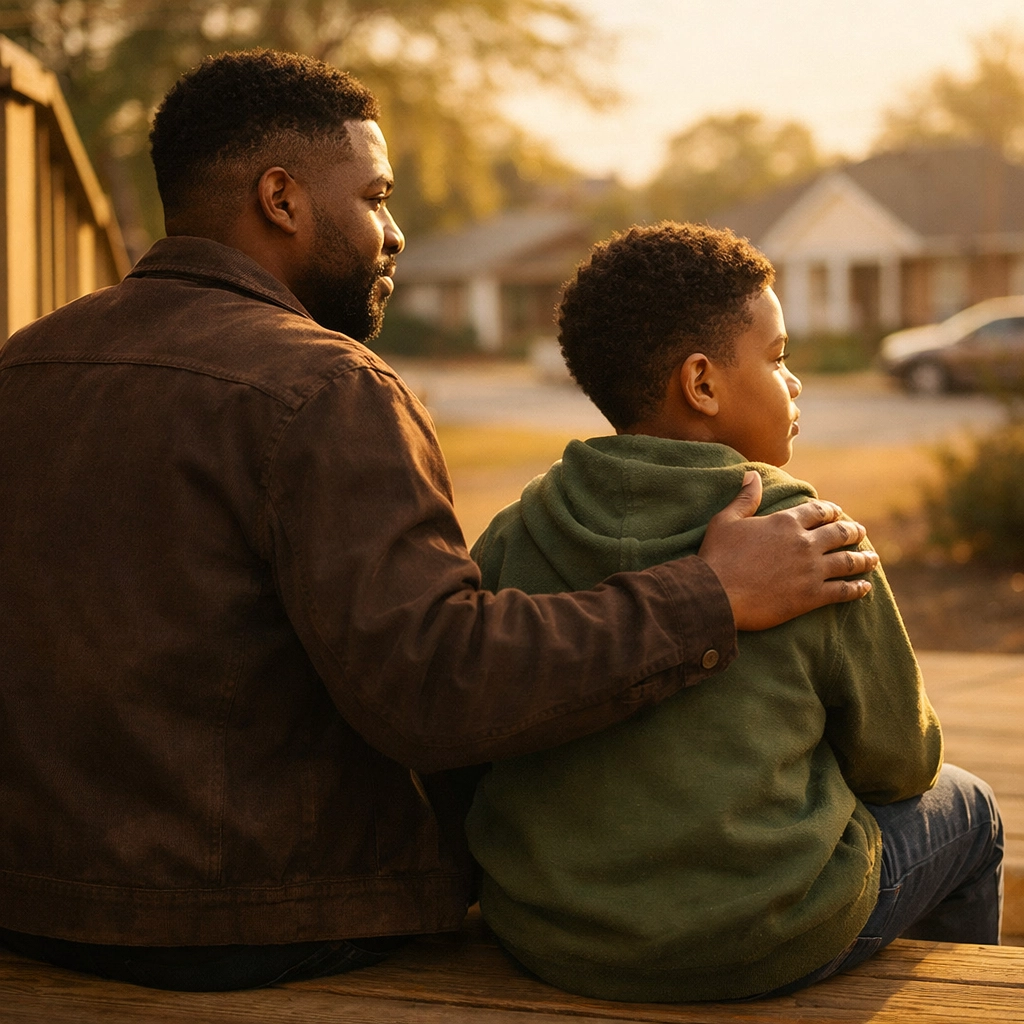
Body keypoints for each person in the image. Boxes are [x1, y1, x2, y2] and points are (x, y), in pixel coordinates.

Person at [0, 52, 878, 992]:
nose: (396, 233)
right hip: (259, 919)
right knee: (953, 819)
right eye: (375, 197)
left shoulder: (26, 366)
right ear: (282, 199)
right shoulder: (325, 387)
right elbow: (439, 687)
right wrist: (708, 594)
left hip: (35, 905)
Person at [464, 223, 1004, 1002]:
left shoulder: (518, 529)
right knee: (972, 809)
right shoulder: (803, 535)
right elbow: (901, 762)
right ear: (703, 384)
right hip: (758, 935)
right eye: (779, 357)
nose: (794, 383)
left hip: (552, 933)